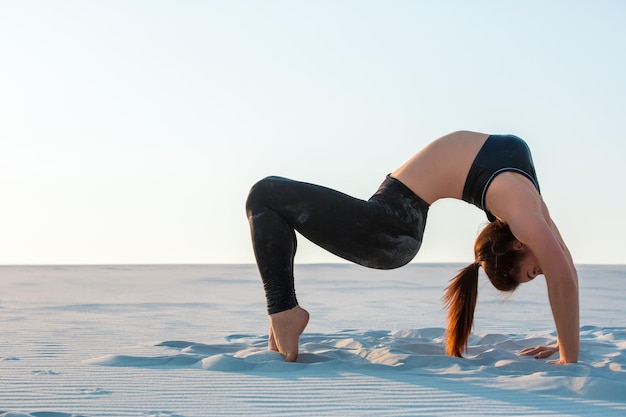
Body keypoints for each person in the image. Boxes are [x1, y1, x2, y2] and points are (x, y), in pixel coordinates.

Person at [245, 130, 579, 364]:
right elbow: (564, 278)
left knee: (263, 197)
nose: (541, 271)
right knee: (265, 197)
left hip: (393, 226)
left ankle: (283, 312)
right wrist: (568, 356)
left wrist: (565, 349)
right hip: (390, 221)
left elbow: (566, 273)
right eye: (533, 272)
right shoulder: (528, 213)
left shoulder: (529, 208)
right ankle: (284, 315)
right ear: (519, 244)